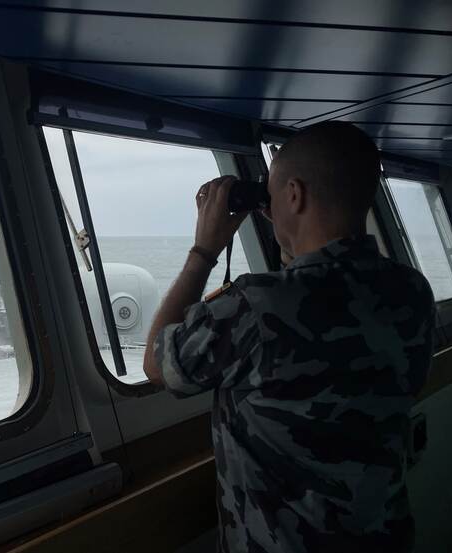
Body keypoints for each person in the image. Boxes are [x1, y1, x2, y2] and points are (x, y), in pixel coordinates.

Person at [143, 121, 435, 553]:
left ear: (294, 194)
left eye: (274, 194)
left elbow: (158, 366)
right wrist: (292, 239)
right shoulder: (411, 292)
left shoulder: (258, 306)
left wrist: (204, 250)